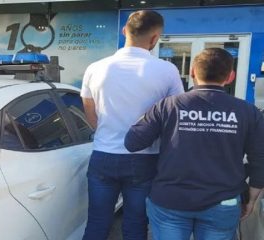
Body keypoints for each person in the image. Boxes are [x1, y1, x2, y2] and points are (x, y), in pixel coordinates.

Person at [124, 48, 264, 240]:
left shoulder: (167, 106)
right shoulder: (248, 112)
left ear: (191, 72)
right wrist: (252, 198)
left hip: (170, 200)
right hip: (223, 202)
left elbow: (132, 142)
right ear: (231, 76)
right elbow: (260, 158)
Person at [81, 10, 184, 240]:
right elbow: (174, 115)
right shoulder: (167, 70)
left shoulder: (95, 68)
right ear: (155, 38)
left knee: (97, 222)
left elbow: (89, 111)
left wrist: (107, 133)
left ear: (124, 31)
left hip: (103, 154)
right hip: (145, 157)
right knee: (136, 224)